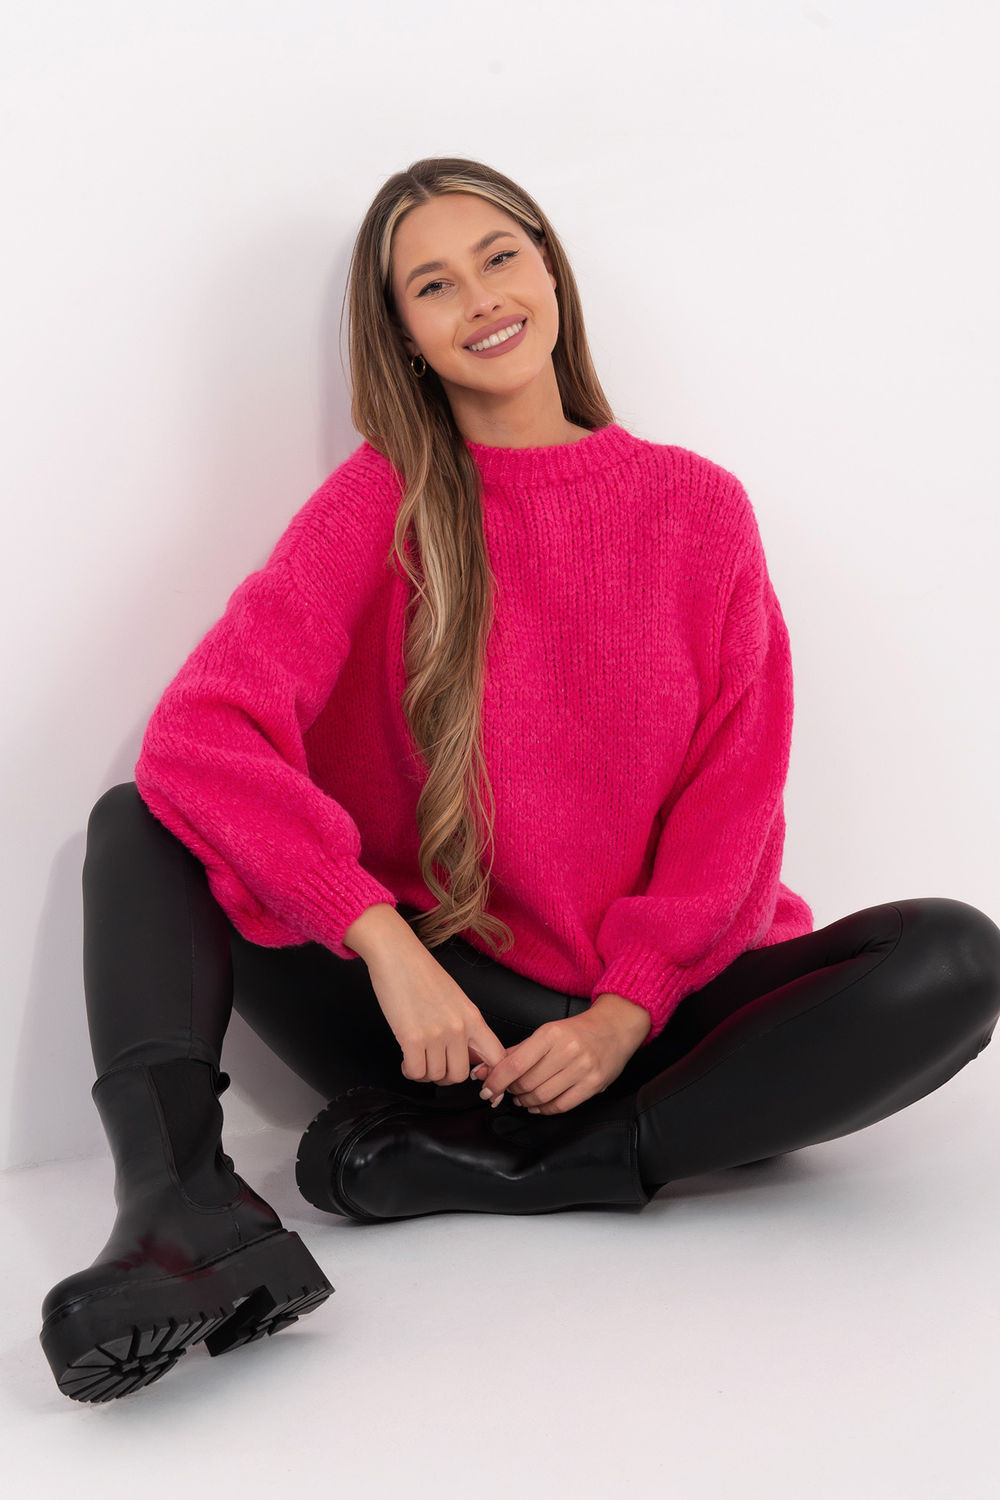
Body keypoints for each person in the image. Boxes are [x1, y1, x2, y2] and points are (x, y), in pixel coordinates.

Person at [40, 156, 1000, 1403]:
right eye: (433, 284)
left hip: (658, 1027)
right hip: (447, 1020)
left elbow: (735, 799)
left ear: (548, 266)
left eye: (498, 256)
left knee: (955, 957)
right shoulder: (380, 499)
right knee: (147, 820)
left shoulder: (695, 508)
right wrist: (382, 942)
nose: (480, 296)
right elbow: (198, 736)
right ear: (405, 335)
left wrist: (624, 1012)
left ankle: (529, 1165)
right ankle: (179, 1214)